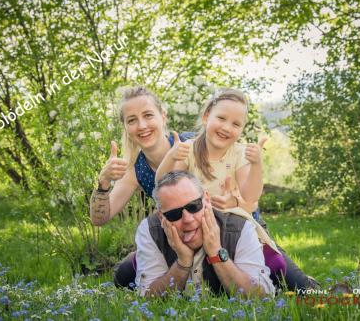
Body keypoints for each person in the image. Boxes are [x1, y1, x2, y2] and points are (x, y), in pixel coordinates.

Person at [156, 88, 317, 290]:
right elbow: (162, 184)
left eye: (236, 124)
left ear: (241, 129)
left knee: (281, 267)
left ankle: (309, 287)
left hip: (242, 229)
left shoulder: (239, 153)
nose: (226, 127)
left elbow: (250, 198)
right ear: (207, 116)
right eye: (221, 118)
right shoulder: (189, 150)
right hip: (201, 230)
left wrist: (256, 165)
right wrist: (172, 156)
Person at [89, 86, 192, 288]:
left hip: (213, 231)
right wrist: (103, 182)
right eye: (132, 120)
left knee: (273, 268)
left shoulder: (190, 144)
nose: (142, 125)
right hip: (175, 239)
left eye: (148, 115)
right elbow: (99, 219)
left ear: (163, 116)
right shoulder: (136, 169)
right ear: (126, 127)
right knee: (124, 273)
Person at [135, 170, 275, 297]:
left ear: (206, 199)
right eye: (174, 214)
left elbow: (262, 298)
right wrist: (183, 263)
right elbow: (147, 298)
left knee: (283, 269)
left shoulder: (240, 227)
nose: (188, 219)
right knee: (123, 274)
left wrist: (216, 253)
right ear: (161, 217)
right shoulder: (150, 229)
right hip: (144, 260)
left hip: (262, 252)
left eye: (193, 206)